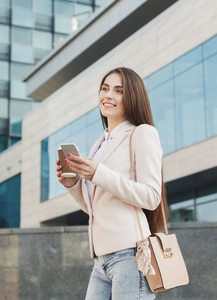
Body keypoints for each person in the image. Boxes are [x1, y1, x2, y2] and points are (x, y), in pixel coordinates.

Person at [56, 67, 168, 300]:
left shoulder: (142, 133)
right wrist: (74, 184)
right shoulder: (100, 144)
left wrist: (98, 173)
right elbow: (95, 208)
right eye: (105, 88)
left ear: (133, 98)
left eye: (119, 91)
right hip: (101, 260)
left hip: (131, 255)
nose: (108, 95)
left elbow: (151, 196)